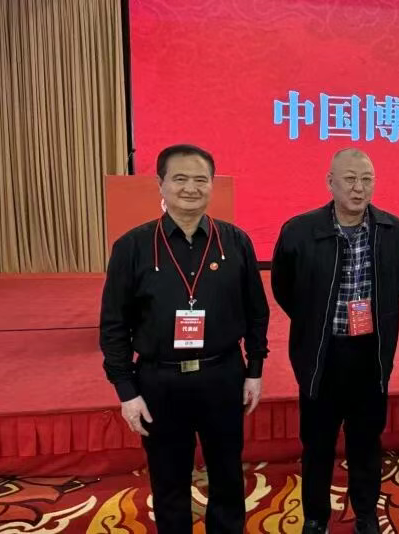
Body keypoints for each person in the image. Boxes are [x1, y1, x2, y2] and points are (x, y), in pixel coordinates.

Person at [100, 144, 270, 533]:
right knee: (168, 479)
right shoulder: (132, 247)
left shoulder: (235, 242)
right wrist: (126, 390)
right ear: (160, 184)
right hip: (159, 381)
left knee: (227, 474)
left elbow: (256, 313)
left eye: (200, 179)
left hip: (222, 375)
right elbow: (113, 325)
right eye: (180, 179)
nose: (190, 188)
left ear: (212, 184)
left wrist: (255, 369)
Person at [270, 148, 399, 534]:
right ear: (330, 182)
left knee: (367, 442)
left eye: (366, 179)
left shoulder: (393, 230)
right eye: (349, 179)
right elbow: (284, 287)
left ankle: (366, 513)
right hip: (322, 354)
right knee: (317, 444)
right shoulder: (299, 230)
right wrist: (314, 321)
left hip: (370, 355)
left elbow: (398, 284)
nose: (358, 187)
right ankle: (316, 517)